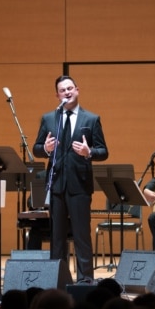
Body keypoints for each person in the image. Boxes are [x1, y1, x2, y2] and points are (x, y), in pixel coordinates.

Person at [32, 75, 108, 283]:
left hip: (80, 186)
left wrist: (89, 151)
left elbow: (103, 151)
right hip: (56, 186)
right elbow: (37, 149)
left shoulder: (91, 119)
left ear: (77, 90)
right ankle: (58, 280)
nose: (67, 92)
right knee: (57, 237)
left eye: (70, 88)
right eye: (62, 90)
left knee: (82, 236)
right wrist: (45, 149)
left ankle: (85, 281)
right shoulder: (49, 119)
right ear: (57, 95)